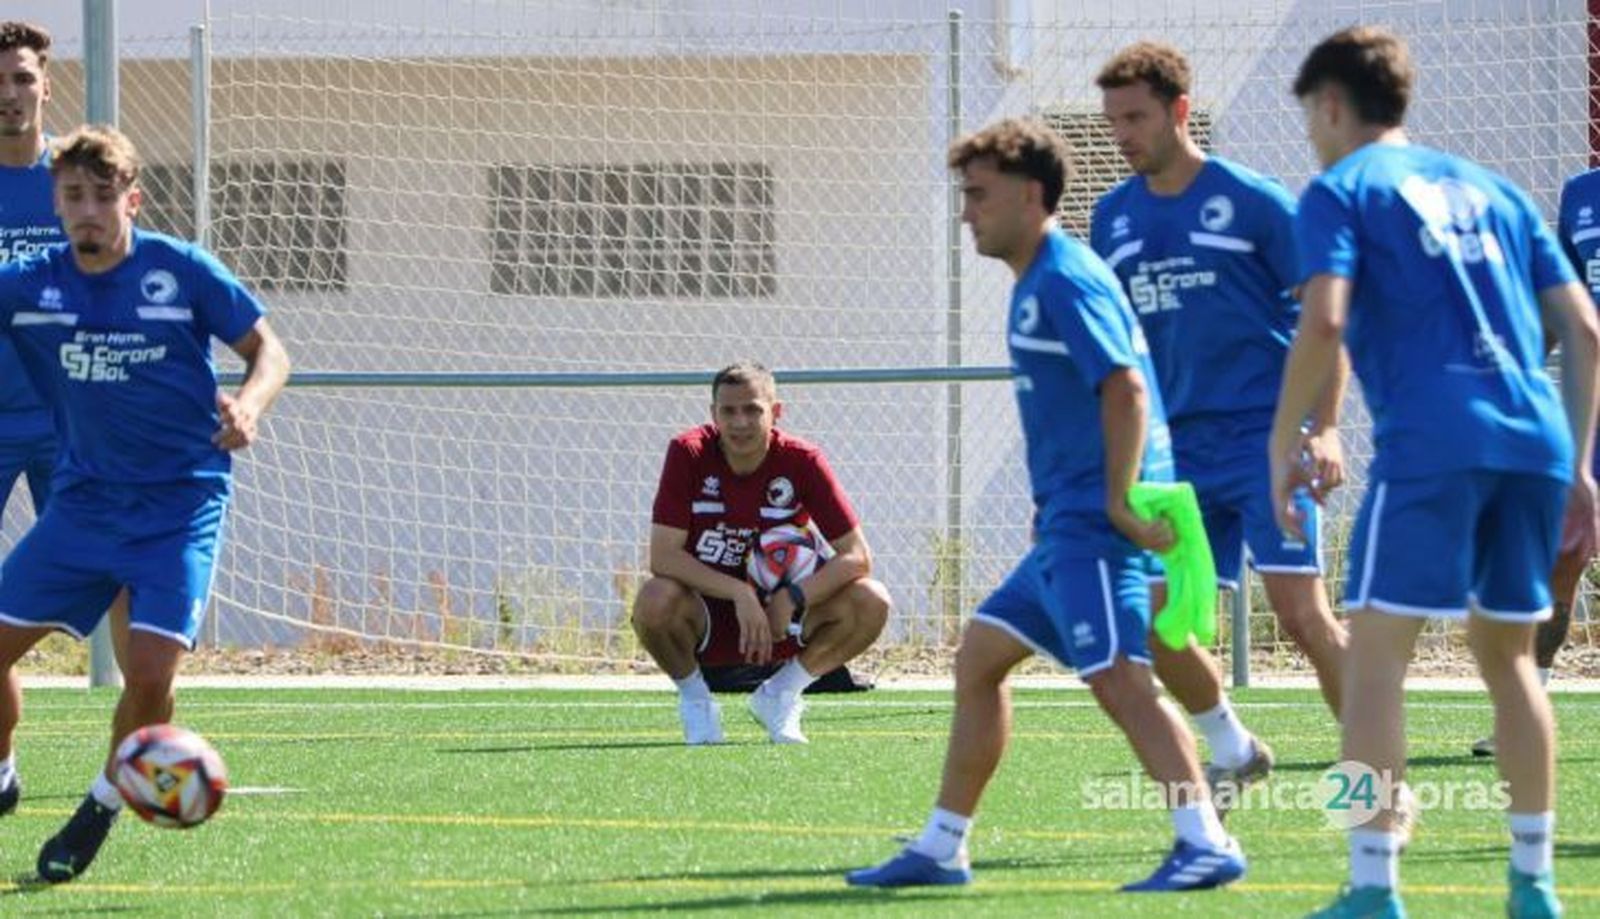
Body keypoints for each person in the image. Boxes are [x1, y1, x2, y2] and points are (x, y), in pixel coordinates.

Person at [847, 117, 1245, 892]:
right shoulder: (1041, 276)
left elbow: (1126, 387)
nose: (967, 212)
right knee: (981, 658)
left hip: (1095, 528)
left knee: (1123, 680)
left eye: (979, 196)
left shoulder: (1063, 275)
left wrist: (1119, 505)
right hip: (1064, 524)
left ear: (1031, 195)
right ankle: (942, 843)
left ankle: (1206, 840)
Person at [1273, 26, 1598, 918]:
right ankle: (1534, 884)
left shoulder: (1339, 191)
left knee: (1374, 660)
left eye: (1310, 120)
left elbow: (1326, 322)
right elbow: (1585, 332)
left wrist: (1282, 440)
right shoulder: (1494, 189)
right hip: (1534, 440)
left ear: (1331, 105)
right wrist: (1577, 462)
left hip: (1433, 444)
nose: (1313, 138)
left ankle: (1372, 885)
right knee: (1511, 663)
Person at [0, 124, 291, 883]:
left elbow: (269, 350)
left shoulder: (180, 271)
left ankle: (99, 802)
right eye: (73, 196)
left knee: (152, 673)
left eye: (103, 195)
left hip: (178, 505)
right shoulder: (30, 286)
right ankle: (2, 774)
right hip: (84, 504)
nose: (88, 210)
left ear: (133, 198)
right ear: (55, 203)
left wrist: (251, 405)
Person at [1091, 41, 1351, 804]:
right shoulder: (1112, 217)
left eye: (1135, 117)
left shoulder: (1255, 200)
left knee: (1303, 615)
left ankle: (1375, 776)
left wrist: (1326, 428)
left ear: (1179, 111)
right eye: (1112, 121)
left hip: (1265, 445)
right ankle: (1233, 748)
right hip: (1172, 457)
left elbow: (1325, 320)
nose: (1122, 133)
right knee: (1164, 623)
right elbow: (1112, 356)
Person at [0, 20, 133, 822]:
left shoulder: (76, 183)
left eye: (21, 78)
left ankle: (139, 752)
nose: (8, 94)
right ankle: (1, 761)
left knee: (122, 576)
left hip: (72, 424)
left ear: (46, 84)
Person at [632, 361, 890, 745]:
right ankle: (697, 703)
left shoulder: (802, 461)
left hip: (779, 619)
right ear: (713, 414)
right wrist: (740, 592)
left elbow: (856, 556)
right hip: (706, 617)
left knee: (872, 600)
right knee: (653, 600)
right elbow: (663, 557)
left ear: (776, 411)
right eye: (728, 411)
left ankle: (780, 696)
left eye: (752, 409)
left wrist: (791, 597)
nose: (740, 422)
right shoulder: (687, 453)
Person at [1470, 165, 1600, 758]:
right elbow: (1565, 308)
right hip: (1590, 411)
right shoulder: (1580, 194)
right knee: (1559, 556)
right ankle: (1523, 712)